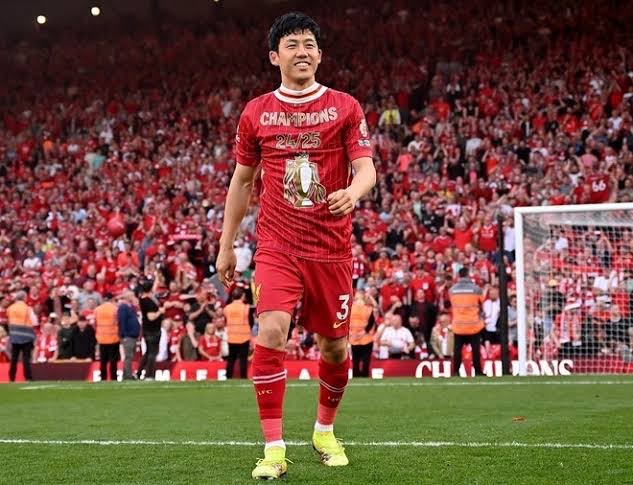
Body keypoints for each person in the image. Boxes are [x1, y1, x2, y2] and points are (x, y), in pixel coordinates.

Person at [216, 11, 376, 479]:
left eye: (309, 44)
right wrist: (226, 245)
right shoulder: (256, 112)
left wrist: (354, 191)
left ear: (320, 55)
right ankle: (273, 449)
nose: (301, 52)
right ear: (274, 56)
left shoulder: (345, 106)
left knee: (335, 349)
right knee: (270, 332)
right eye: (292, 44)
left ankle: (324, 431)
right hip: (277, 245)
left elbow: (366, 168)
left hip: (331, 248)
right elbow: (242, 181)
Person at [449, 267, 485, 376]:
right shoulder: (476, 289)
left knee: (457, 350)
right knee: (475, 349)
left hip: (458, 325)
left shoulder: (452, 290)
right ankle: (478, 371)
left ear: (459, 276)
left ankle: (456, 371)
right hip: (473, 325)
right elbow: (482, 303)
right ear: (468, 275)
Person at [224, 287, 254, 378]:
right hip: (244, 337)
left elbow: (226, 321)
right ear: (242, 296)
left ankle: (228, 376)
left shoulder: (227, 308)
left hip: (231, 336)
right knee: (243, 359)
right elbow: (251, 322)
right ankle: (243, 376)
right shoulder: (246, 308)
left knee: (231, 358)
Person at [7, 291, 37, 382]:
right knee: (26, 358)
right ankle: (28, 377)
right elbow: (35, 322)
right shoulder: (27, 308)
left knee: (14, 358)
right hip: (26, 336)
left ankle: (11, 378)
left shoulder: (10, 308)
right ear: (24, 298)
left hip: (14, 335)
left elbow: (9, 320)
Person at [138, 279, 164, 380]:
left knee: (148, 352)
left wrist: (156, 277)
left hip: (148, 329)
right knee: (153, 353)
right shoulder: (147, 302)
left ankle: (139, 373)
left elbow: (155, 287)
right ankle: (149, 374)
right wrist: (160, 312)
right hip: (152, 330)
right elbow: (151, 317)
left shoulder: (144, 298)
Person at [348, 291, 376, 377]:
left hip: (357, 337)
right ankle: (364, 376)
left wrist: (351, 333)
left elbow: (345, 322)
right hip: (364, 337)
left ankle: (357, 376)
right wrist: (363, 332)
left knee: (357, 360)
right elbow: (372, 322)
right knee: (363, 360)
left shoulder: (350, 309)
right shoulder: (368, 308)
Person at [94, 293, 120, 381]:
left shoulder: (97, 309)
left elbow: (95, 323)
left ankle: (103, 377)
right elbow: (118, 322)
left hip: (101, 338)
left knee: (103, 360)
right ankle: (113, 377)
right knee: (113, 360)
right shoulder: (115, 309)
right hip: (113, 337)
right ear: (111, 299)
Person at [117, 291, 140, 380]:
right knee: (128, 356)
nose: (134, 297)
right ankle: (128, 375)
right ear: (127, 297)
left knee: (130, 356)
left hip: (133, 335)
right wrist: (124, 335)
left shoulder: (131, 307)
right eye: (132, 295)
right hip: (128, 336)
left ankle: (127, 374)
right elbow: (121, 322)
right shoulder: (123, 307)